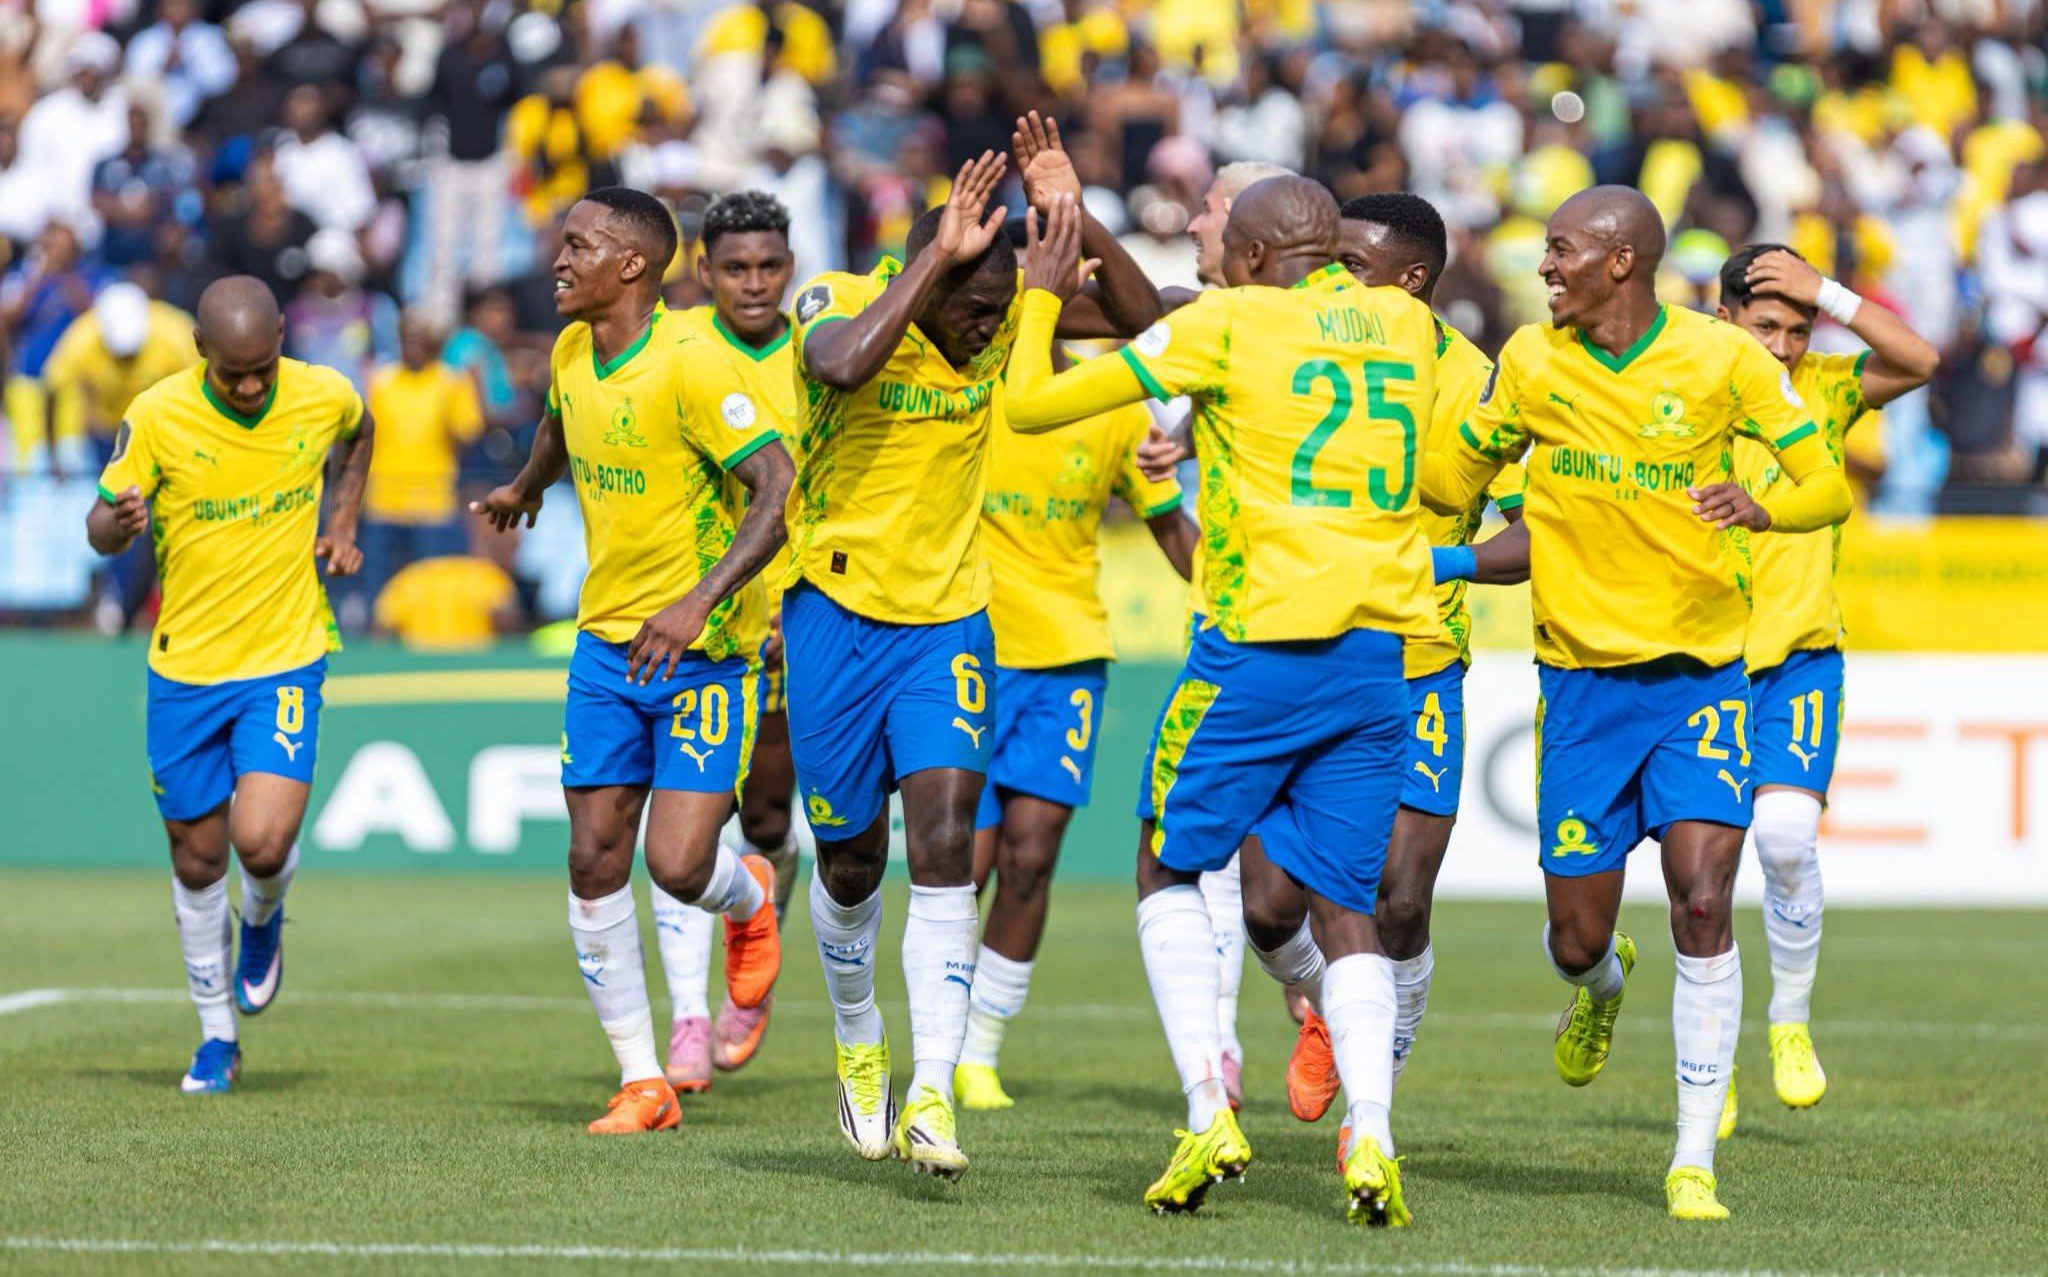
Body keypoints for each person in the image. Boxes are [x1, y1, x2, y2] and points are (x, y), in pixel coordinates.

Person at [1003, 180, 1441, 1226]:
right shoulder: (1406, 324)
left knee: (1165, 859)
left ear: (1246, 259)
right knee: (1345, 904)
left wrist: (1040, 297)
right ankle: (1371, 1134)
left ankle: (1208, 1107)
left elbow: (1029, 404)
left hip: (1255, 652)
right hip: (1376, 659)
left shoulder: (1228, 322)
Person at [1418, 186, 1854, 1221]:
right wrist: (1464, 458)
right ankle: (1601, 982)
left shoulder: (1723, 359)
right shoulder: (1531, 360)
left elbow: (1827, 487)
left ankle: (1691, 1159)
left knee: (1702, 899)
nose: (1544, 266)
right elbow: (1448, 477)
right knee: (1575, 938)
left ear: (1620, 261)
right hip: (1578, 689)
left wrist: (1761, 505)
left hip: (1698, 679)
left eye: (1560, 249)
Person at [786, 119, 1161, 1179]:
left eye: (1003, 312)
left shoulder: (1002, 319)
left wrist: (1072, 218)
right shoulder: (838, 295)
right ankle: (858, 1036)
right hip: (830, 613)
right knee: (851, 858)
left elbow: (1157, 323)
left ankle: (935, 1091)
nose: (992, 329)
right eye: (977, 310)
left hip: (950, 620)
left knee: (947, 838)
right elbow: (841, 365)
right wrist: (934, 268)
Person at [471, 187, 794, 1136]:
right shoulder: (573, 349)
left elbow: (778, 489)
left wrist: (699, 601)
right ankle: (643, 1080)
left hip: (705, 656)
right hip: (605, 646)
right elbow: (561, 423)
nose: (558, 259)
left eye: (579, 245)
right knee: (592, 856)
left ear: (632, 266)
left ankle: (751, 897)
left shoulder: (694, 362)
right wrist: (528, 486)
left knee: (680, 865)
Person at [1237, 192, 1534, 1133]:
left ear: (1413, 281)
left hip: (1418, 662)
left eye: (1354, 267)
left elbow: (1535, 534)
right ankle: (1329, 998)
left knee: (1398, 900)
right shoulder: (1299, 339)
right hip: (1300, 646)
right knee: (1267, 907)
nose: (1333, 280)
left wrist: (1439, 562)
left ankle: (1374, 1104)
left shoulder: (1478, 383)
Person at [83, 275, 373, 1094]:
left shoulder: (323, 393)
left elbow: (361, 433)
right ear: (200, 350)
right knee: (198, 856)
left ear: (282, 335)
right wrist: (117, 525)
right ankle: (217, 1036)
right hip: (184, 667)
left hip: (284, 655)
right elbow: (98, 525)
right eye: (232, 373)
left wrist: (343, 518)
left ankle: (265, 915)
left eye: (262, 369)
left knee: (263, 842)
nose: (249, 387)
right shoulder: (157, 413)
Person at [1713, 244, 1937, 1134]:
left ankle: (1790, 1021)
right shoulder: (1685, 388)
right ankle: (1710, 1058)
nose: (1783, 346)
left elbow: (1920, 360)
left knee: (1784, 838)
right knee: (1704, 876)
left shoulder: (1827, 389)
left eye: (1798, 329)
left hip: (1799, 655)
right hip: (1700, 659)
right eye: (1765, 325)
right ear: (1725, 318)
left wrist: (1830, 293)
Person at [955, 320, 1197, 1112]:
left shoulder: (1112, 405)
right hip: (963, 649)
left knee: (1031, 856)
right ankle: (939, 1035)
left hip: (1067, 656)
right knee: (965, 866)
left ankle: (980, 1052)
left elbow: (1169, 523)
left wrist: (1240, 589)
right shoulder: (960, 386)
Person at [639, 190, 803, 1094]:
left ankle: (756, 926)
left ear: (791, 268)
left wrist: (800, 598)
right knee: (681, 827)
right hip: (692, 624)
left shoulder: (816, 356)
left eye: (769, 266)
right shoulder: (674, 350)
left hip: (795, 623)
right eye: (735, 267)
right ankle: (689, 1020)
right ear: (702, 270)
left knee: (767, 821)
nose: (753, 283)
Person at [359, 313, 484, 608]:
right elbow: (363, 436)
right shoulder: (381, 380)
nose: (413, 347)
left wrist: (467, 389)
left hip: (432, 502)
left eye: (420, 341)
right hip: (384, 500)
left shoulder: (450, 381)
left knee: (430, 587)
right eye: (408, 340)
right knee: (378, 589)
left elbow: (468, 434)